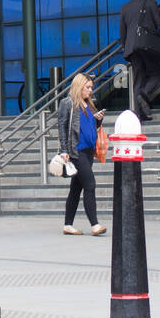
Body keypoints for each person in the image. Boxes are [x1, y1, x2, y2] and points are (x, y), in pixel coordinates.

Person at [55, 72, 107, 236]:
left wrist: (98, 119)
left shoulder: (89, 104)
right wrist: (64, 150)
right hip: (76, 152)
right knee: (90, 184)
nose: (90, 91)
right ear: (79, 86)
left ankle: (68, 225)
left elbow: (91, 126)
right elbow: (62, 128)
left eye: (91, 87)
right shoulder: (68, 103)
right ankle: (95, 225)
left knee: (76, 188)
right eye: (88, 87)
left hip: (88, 151)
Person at [118, 0, 160, 121]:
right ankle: (144, 95)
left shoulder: (125, 8)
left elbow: (123, 32)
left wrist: (125, 46)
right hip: (148, 45)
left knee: (138, 79)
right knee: (154, 74)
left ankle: (140, 114)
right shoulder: (151, 3)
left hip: (132, 48)